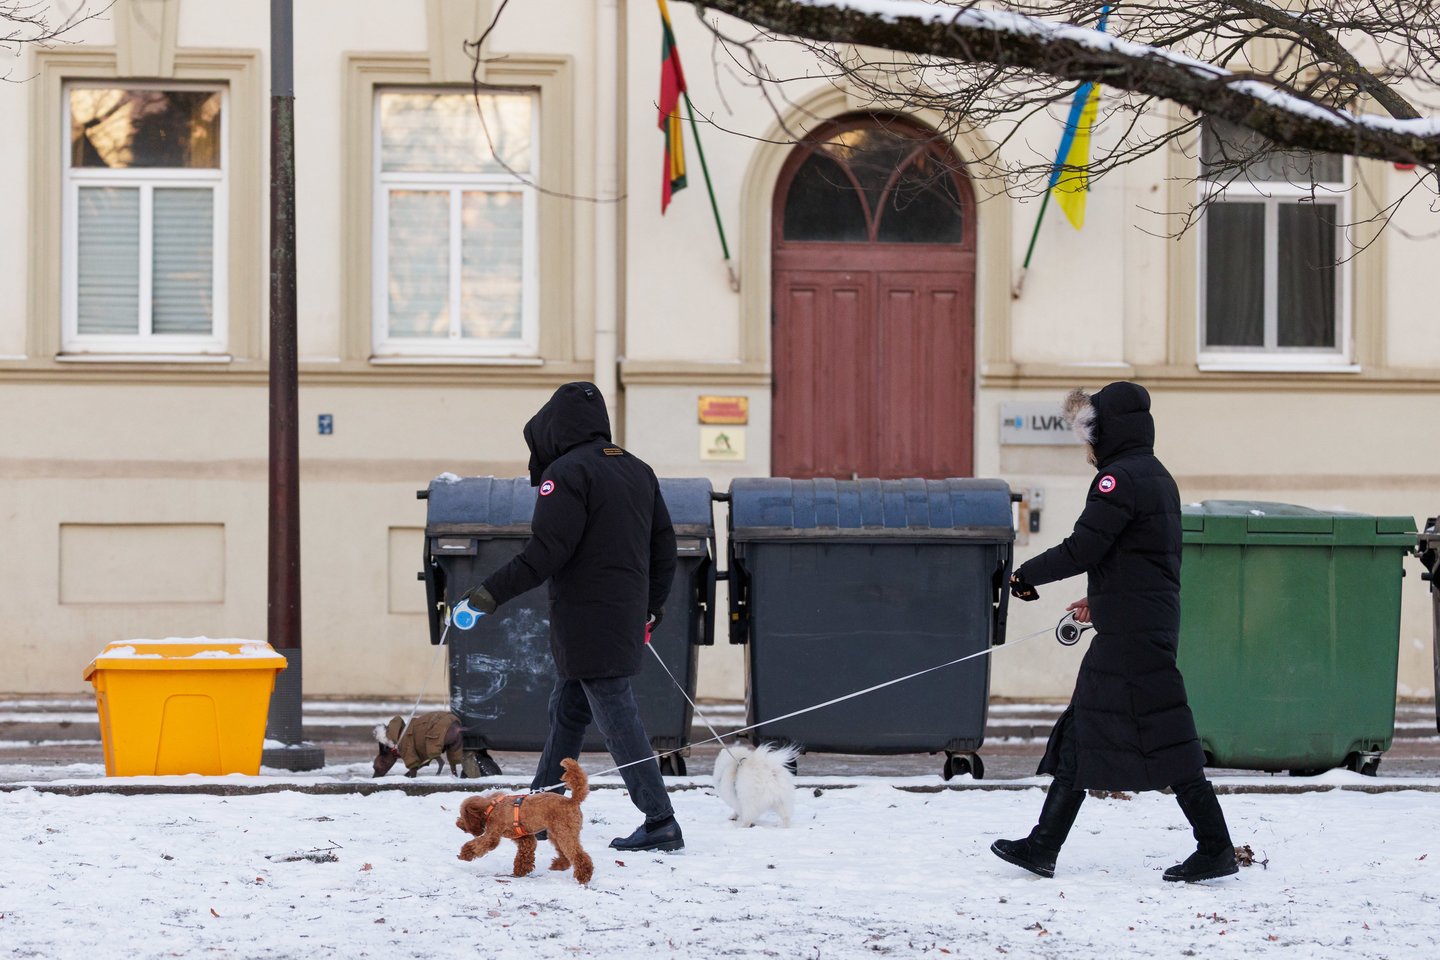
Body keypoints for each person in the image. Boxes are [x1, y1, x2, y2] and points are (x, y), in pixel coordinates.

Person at [992, 381, 1237, 883]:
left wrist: (1025, 575)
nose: (1087, 446)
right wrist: (1100, 599)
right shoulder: (1156, 475)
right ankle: (1043, 845)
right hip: (1140, 624)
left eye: (1090, 434)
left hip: (1133, 634)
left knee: (1162, 733)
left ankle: (1215, 848)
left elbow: (1085, 548)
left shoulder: (1118, 480)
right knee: (1087, 725)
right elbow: (1141, 560)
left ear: (1104, 431)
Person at [463, 381, 683, 853]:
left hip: (586, 620)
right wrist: (652, 606)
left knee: (619, 721)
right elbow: (665, 548)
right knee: (566, 711)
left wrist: (486, 595)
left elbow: (545, 554)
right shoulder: (638, 469)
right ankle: (540, 812)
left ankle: (660, 819)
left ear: (554, 428)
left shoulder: (566, 473)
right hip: (622, 615)